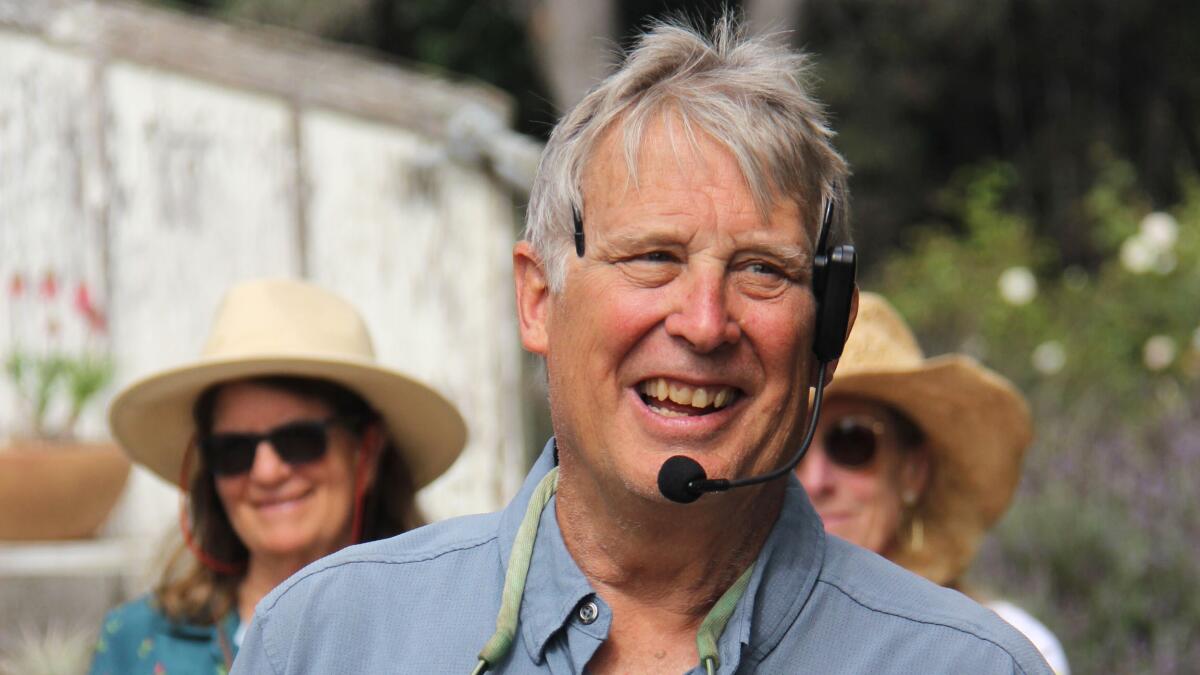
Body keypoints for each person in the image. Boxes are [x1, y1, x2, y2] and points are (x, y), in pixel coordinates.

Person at [233, 17, 1052, 674]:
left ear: (827, 329)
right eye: (653, 257)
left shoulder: (966, 662)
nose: (703, 322)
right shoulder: (322, 641)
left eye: (762, 269)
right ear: (538, 298)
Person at [87, 278, 466, 675]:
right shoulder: (135, 642)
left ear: (366, 455)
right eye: (233, 450)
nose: (266, 472)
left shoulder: (446, 629)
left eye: (299, 440)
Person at [795, 291, 1071, 673]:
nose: (815, 481)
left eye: (852, 442)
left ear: (912, 470)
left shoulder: (1004, 653)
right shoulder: (724, 639)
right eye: (793, 449)